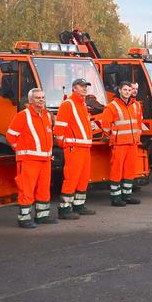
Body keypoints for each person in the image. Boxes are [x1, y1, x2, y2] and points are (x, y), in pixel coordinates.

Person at [7, 88, 56, 228]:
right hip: (29, 160)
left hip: (45, 160)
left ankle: (42, 216)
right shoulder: (23, 115)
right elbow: (11, 136)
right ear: (30, 100)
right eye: (37, 98)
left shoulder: (46, 115)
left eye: (42, 97)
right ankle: (24, 218)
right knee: (26, 189)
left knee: (43, 188)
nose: (41, 100)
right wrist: (21, 150)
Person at [53, 78, 96, 217]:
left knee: (83, 178)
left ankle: (79, 205)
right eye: (81, 86)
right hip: (74, 147)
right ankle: (64, 209)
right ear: (74, 88)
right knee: (71, 177)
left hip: (84, 147)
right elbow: (59, 128)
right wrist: (65, 144)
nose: (84, 88)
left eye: (86, 86)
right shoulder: (68, 104)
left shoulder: (82, 105)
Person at [100, 81, 144, 206]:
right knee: (116, 170)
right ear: (119, 90)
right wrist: (112, 137)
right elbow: (105, 126)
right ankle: (116, 197)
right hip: (119, 143)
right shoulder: (112, 106)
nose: (127, 92)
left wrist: (137, 134)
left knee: (130, 169)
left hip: (132, 142)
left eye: (129, 90)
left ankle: (127, 195)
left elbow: (139, 122)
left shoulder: (136, 105)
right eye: (125, 90)